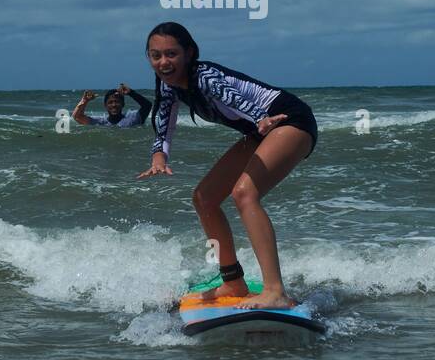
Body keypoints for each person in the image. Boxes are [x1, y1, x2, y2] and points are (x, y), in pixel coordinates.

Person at [136, 21, 318, 310]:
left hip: (288, 120)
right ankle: (233, 281)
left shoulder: (205, 76)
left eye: (171, 54)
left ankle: (275, 291)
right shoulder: (168, 84)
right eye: (155, 55)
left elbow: (233, 97)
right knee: (204, 198)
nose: (163, 62)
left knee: (244, 193)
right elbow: (164, 118)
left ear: (189, 53)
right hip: (260, 130)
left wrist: (261, 117)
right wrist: (160, 155)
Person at [73, 84, 152, 127]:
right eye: (110, 102)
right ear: (105, 105)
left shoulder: (132, 118)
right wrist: (84, 101)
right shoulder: (100, 122)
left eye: (117, 102)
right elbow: (77, 117)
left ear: (123, 104)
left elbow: (147, 106)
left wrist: (131, 93)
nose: (114, 105)